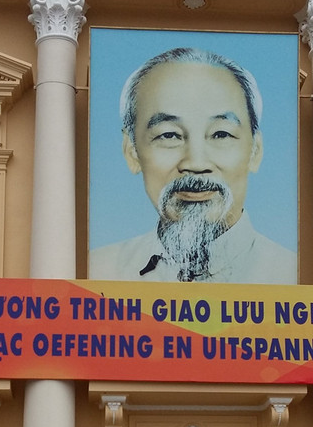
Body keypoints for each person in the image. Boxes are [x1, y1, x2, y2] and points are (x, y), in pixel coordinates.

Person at [89, 47, 296, 284]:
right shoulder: (98, 275)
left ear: (255, 151)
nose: (196, 164)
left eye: (220, 134)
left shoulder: (291, 277)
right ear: (131, 151)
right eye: (169, 135)